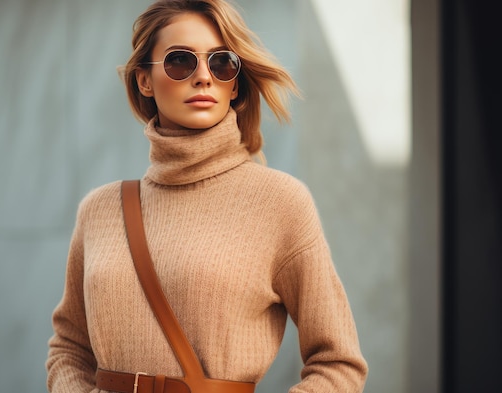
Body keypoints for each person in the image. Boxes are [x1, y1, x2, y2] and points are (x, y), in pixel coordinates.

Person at [46, 0, 368, 392]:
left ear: (234, 82)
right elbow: (69, 347)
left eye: (221, 63)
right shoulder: (100, 210)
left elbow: (338, 362)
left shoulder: (280, 202)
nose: (203, 77)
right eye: (181, 62)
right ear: (144, 80)